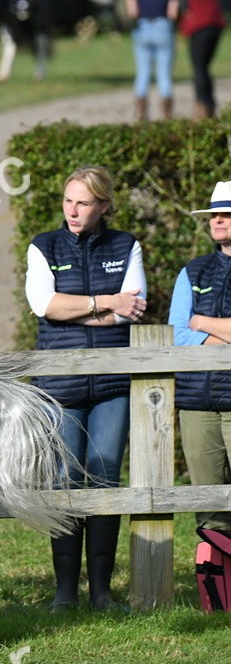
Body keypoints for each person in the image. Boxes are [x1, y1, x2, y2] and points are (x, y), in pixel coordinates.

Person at [24, 165, 148, 611]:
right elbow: (45, 305)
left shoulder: (126, 245)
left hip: (113, 384)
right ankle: (64, 591)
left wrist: (90, 309)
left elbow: (131, 311)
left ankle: (101, 590)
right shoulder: (44, 246)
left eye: (84, 203)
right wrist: (105, 302)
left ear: (104, 206)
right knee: (65, 480)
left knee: (105, 477)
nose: (73, 210)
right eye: (68, 201)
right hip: (60, 385)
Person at [168, 180, 231, 540]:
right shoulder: (193, 271)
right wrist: (221, 334)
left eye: (226, 214)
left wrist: (203, 323)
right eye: (213, 215)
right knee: (208, 508)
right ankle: (217, 593)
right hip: (197, 403)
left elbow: (191, 325)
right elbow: (177, 335)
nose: (217, 221)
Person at [125, 0, 180, 120]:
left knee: (143, 72)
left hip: (142, 25)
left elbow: (132, 12)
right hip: (162, 24)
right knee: (164, 74)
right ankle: (167, 114)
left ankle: (141, 114)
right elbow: (173, 13)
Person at [179, 0, 225, 119]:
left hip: (200, 24)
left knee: (199, 69)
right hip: (215, 24)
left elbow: (183, 6)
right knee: (204, 68)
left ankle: (203, 106)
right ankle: (209, 104)